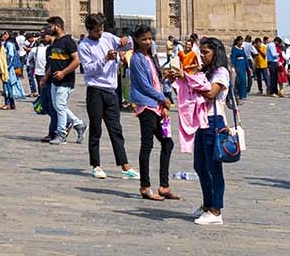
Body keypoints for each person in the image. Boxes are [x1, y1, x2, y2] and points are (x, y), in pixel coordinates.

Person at [78, 14, 135, 180]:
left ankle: (125, 166)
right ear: (89, 30)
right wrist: (105, 59)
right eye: (96, 30)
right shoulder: (84, 46)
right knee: (96, 129)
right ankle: (96, 165)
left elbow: (129, 44)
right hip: (95, 90)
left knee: (116, 129)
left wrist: (126, 40)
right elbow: (88, 69)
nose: (100, 32)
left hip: (111, 91)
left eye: (101, 28)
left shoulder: (108, 37)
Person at [128, 26, 178, 202]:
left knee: (168, 143)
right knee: (147, 145)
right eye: (144, 39)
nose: (148, 42)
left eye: (150, 38)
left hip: (156, 106)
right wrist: (163, 99)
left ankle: (164, 186)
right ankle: (145, 186)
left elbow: (156, 82)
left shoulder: (150, 57)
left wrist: (166, 86)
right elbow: (144, 86)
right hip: (147, 107)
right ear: (136, 40)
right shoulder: (136, 59)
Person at [189, 37, 232, 226]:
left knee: (214, 168)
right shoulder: (205, 72)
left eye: (206, 52)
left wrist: (190, 78)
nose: (202, 56)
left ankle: (216, 210)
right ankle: (207, 204)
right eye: (201, 52)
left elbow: (211, 93)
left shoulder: (221, 72)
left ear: (216, 52)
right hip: (202, 121)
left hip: (214, 121)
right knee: (200, 165)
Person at [46, 17, 86, 144]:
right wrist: (46, 77)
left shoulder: (68, 41)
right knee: (58, 106)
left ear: (57, 26)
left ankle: (61, 135)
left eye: (50, 26)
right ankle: (79, 124)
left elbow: (77, 60)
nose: (48, 29)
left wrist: (63, 72)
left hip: (66, 80)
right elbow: (53, 62)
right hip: (54, 80)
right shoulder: (55, 42)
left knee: (60, 106)